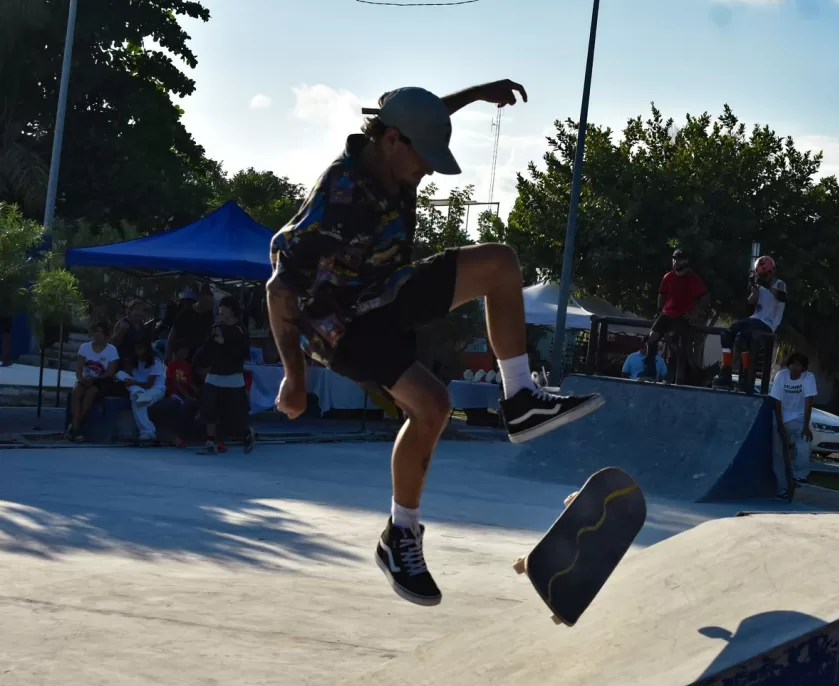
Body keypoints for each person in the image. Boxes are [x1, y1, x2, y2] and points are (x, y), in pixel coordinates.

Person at [266, 82, 603, 606]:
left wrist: (478, 93)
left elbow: (426, 112)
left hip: (386, 291)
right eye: (424, 160)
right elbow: (279, 289)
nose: (426, 171)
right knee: (434, 405)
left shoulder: (399, 143)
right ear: (394, 141)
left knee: (500, 264)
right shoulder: (341, 195)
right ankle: (401, 536)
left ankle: (519, 400)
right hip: (339, 327)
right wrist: (295, 374)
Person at [716, 255, 787, 391]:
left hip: (768, 323)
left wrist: (767, 285)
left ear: (771, 272)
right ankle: (726, 370)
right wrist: (754, 288)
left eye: (764, 275)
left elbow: (782, 297)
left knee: (744, 337)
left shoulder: (780, 284)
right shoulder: (759, 285)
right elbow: (751, 302)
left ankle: (746, 374)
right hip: (755, 318)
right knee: (727, 333)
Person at [196, 295, 253, 455]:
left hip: (233, 375)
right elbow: (208, 348)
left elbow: (243, 353)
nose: (221, 310)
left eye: (225, 307)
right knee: (209, 407)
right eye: (220, 306)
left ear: (233, 310)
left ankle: (247, 433)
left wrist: (225, 342)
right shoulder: (216, 326)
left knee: (235, 412)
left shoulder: (241, 329)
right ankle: (210, 442)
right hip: (215, 373)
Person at [640, 248, 709, 380]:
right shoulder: (668, 277)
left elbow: (705, 297)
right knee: (650, 338)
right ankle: (649, 370)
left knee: (675, 344)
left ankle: (673, 376)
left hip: (682, 315)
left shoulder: (693, 279)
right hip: (667, 313)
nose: (675, 262)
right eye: (674, 259)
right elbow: (662, 295)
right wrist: (660, 311)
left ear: (686, 261)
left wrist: (696, 313)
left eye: (679, 259)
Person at [768, 352, 816, 499]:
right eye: (793, 364)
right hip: (782, 417)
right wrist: (780, 424)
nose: (795, 368)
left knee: (804, 444)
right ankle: (782, 488)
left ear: (803, 368)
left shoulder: (808, 378)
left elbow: (809, 402)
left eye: (799, 365)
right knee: (778, 454)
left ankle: (799, 475)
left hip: (800, 419)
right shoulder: (781, 376)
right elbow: (777, 401)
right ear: (789, 365)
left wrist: (806, 426)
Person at [66, 322, 120, 442]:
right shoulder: (84, 347)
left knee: (91, 393)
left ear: (106, 335)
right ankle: (75, 428)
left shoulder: (111, 350)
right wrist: (81, 379)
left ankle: (75, 426)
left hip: (101, 381)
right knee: (76, 392)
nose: (97, 334)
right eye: (96, 331)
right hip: (85, 379)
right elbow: (79, 368)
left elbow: (110, 372)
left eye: (101, 332)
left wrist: (94, 379)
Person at [121, 335, 166, 444]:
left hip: (156, 389)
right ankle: (148, 433)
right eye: (137, 348)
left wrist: (134, 383)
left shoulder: (155, 362)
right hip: (139, 388)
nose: (139, 351)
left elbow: (149, 385)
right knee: (122, 377)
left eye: (141, 348)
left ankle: (147, 432)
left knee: (138, 401)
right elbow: (128, 376)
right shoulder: (135, 361)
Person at [166, 285, 214, 364]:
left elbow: (209, 335)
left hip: (198, 355)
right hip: (182, 353)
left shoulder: (209, 315)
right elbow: (172, 334)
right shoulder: (186, 313)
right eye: (207, 302)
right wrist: (168, 354)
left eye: (211, 303)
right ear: (200, 299)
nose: (209, 306)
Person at [111, 300, 148, 371]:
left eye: (142, 310)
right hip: (122, 361)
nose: (139, 312)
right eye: (137, 309)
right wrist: (120, 331)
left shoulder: (142, 325)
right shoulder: (122, 323)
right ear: (130, 310)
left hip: (137, 361)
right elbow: (114, 344)